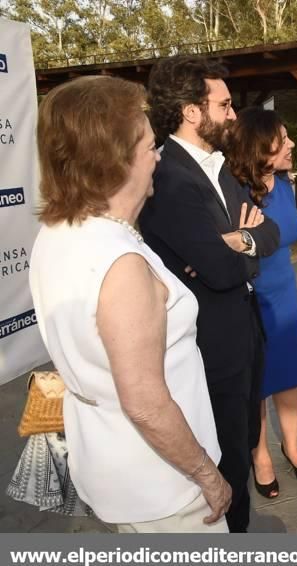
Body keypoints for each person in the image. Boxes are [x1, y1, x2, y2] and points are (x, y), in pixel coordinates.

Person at [28, 76, 230, 532]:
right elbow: (144, 402)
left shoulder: (58, 233)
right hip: (165, 485)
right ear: (118, 161)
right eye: (151, 147)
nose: (157, 159)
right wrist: (207, 476)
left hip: (111, 463)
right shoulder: (120, 263)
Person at [139, 55, 280, 532]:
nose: (233, 114)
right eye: (224, 104)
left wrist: (238, 241)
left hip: (244, 333)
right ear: (192, 111)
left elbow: (272, 234)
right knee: (226, 462)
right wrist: (243, 244)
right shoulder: (169, 179)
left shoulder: (219, 168)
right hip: (208, 350)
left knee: (244, 442)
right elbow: (220, 271)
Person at [226, 108, 297, 499]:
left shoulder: (284, 183)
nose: (292, 143)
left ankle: (291, 445)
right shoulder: (233, 189)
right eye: (283, 138)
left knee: (290, 374)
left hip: (285, 294)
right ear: (262, 146)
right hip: (251, 297)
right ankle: (259, 456)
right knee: (257, 384)